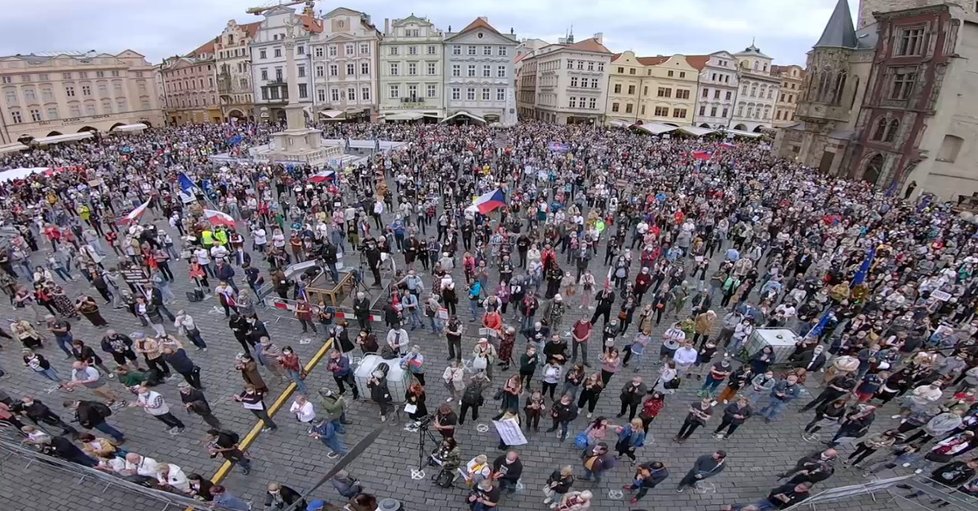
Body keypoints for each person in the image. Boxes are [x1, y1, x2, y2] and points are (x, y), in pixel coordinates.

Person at [721, 482, 814, 511]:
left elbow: (792, 504)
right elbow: (775, 491)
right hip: (769, 501)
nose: (797, 489)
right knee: (752, 507)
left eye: (801, 489)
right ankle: (735, 507)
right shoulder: (790, 486)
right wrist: (781, 497)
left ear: (806, 490)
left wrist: (785, 499)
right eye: (799, 487)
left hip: (777, 507)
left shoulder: (804, 496)